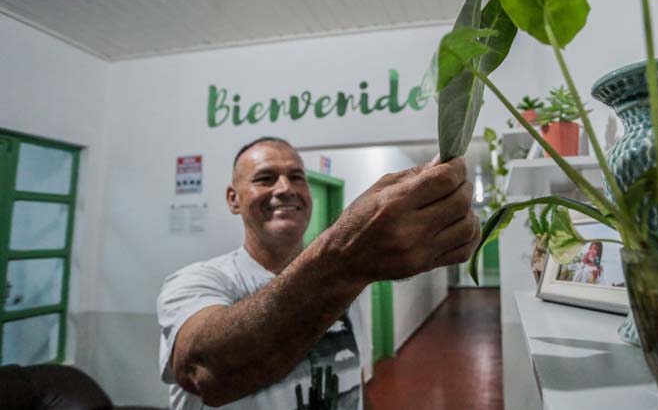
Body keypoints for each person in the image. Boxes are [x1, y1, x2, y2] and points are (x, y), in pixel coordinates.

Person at [156, 137, 480, 410]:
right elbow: (205, 371)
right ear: (233, 199)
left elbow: (353, 376)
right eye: (265, 178)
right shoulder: (196, 282)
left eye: (297, 177)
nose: (285, 188)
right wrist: (345, 257)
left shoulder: (343, 284)